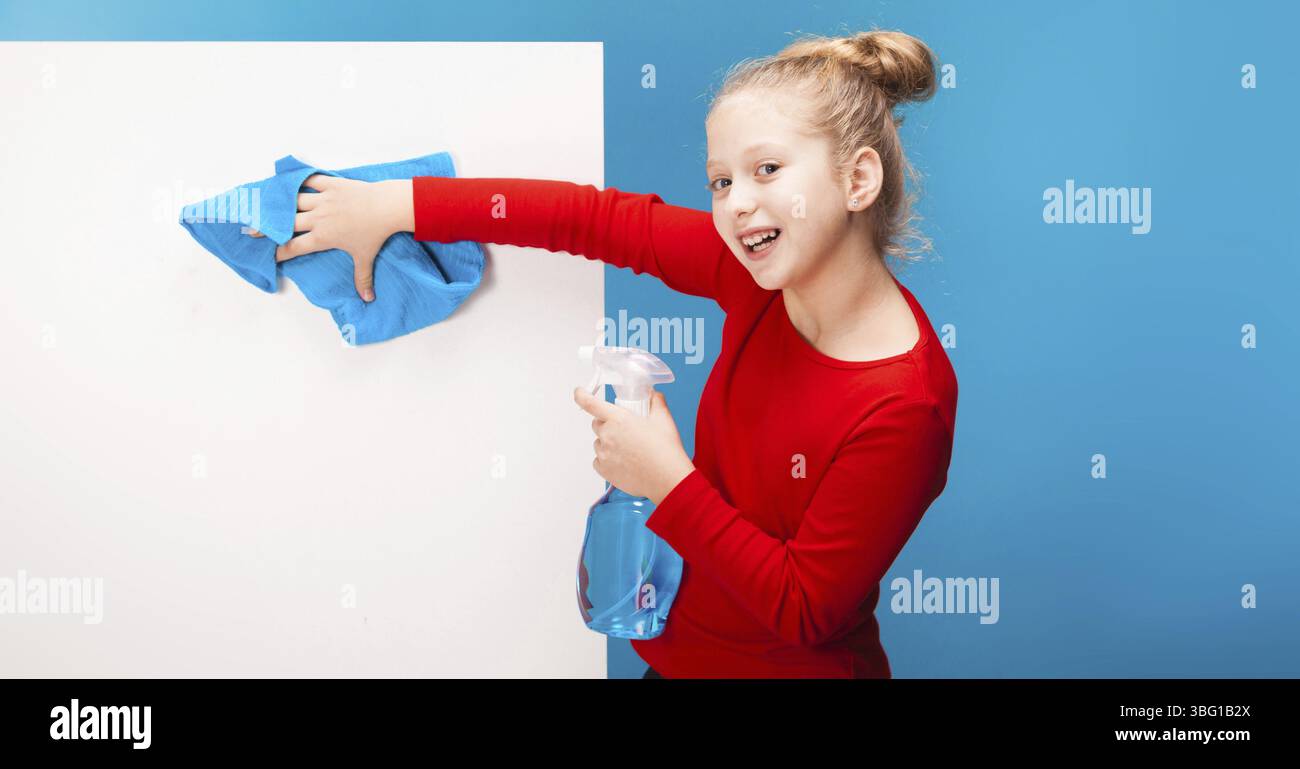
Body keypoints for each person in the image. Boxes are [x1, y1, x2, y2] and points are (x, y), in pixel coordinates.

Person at [252, 28, 957, 678]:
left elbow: (804, 607)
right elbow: (588, 218)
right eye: (721, 181)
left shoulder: (906, 403)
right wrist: (398, 205)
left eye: (766, 169)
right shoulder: (754, 279)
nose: (736, 203)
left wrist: (665, 478)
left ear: (857, 181)